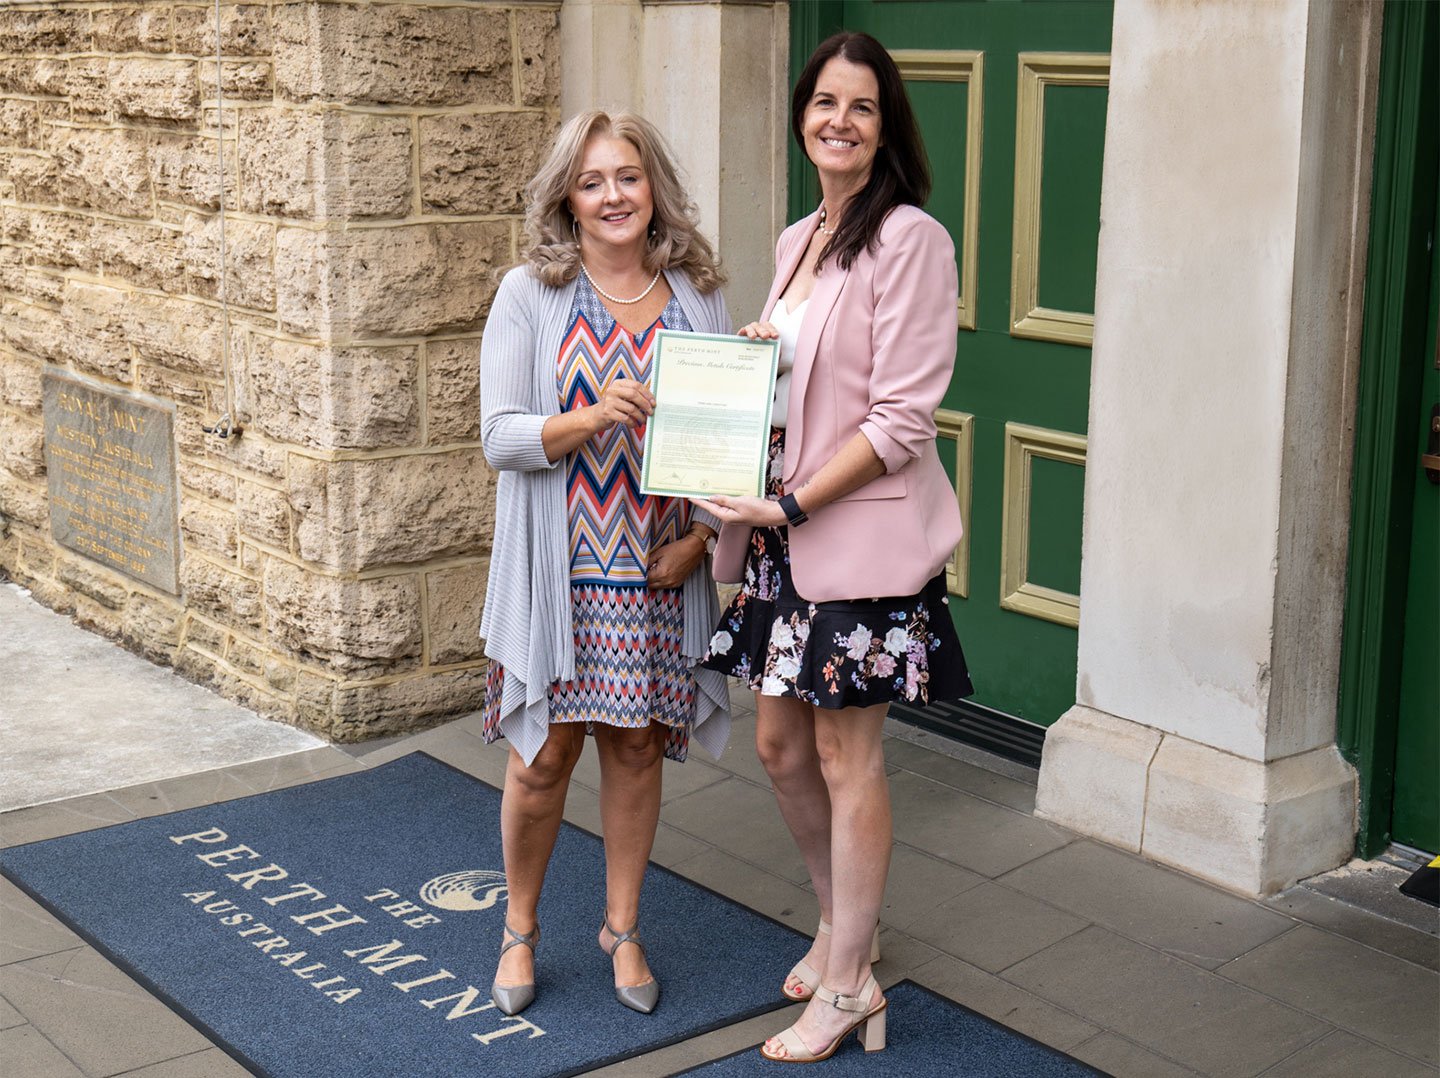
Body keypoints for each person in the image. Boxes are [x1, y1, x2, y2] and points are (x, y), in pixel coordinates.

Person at [695, 31, 974, 1063]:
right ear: (803, 117)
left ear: (885, 125)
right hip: (778, 538)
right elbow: (796, 382)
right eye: (824, 103)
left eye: (861, 106)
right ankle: (838, 922)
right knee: (779, 747)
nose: (839, 121)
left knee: (847, 754)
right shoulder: (797, 238)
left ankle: (853, 981)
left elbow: (902, 419)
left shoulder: (911, 240)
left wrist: (795, 502)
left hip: (843, 538)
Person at [478, 109, 731, 1017]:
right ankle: (519, 926)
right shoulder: (529, 294)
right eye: (593, 181)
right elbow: (500, 437)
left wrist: (700, 547)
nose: (614, 195)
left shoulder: (697, 295)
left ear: (652, 186)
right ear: (568, 200)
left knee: (634, 750)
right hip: (561, 571)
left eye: (628, 176)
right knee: (542, 757)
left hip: (656, 568)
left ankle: (622, 928)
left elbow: (731, 448)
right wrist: (591, 416)